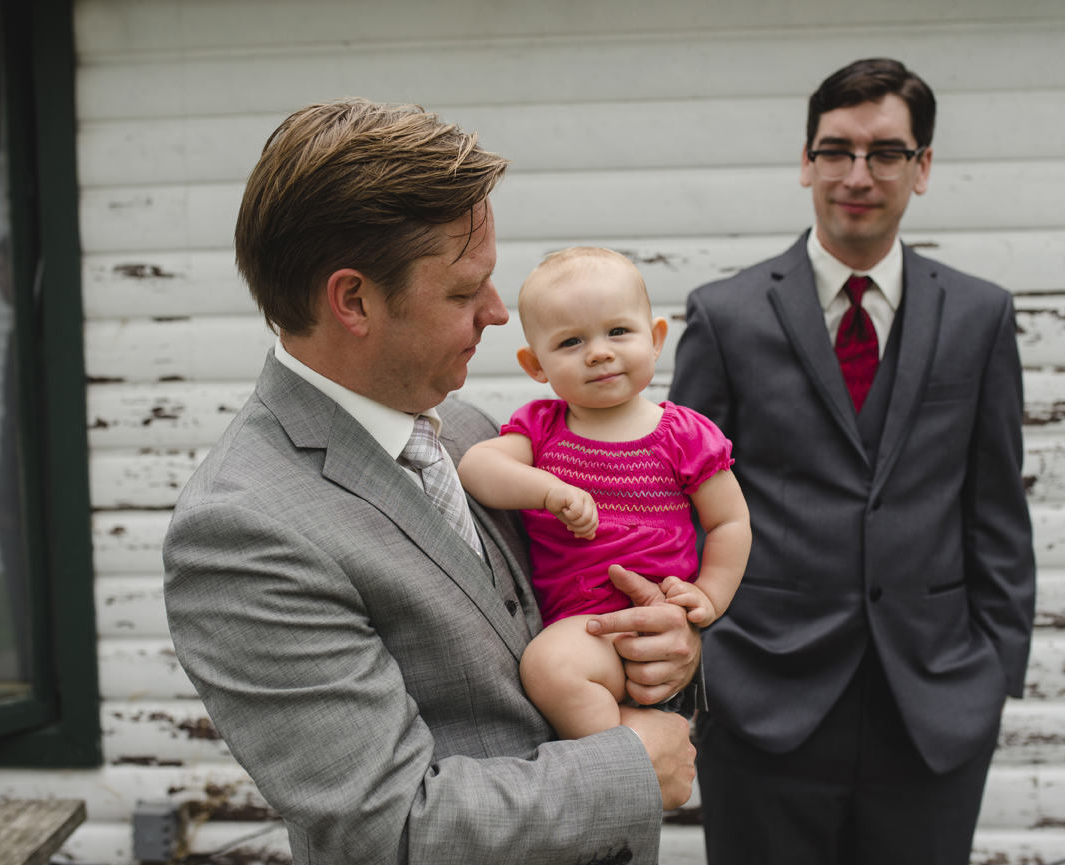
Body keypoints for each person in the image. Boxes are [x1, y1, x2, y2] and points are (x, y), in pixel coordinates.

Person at [163, 99, 700, 865]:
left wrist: (668, 654)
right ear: (353, 300)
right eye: (461, 291)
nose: (496, 311)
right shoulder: (242, 529)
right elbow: (385, 828)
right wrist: (629, 769)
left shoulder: (483, 435)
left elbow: (579, 610)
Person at [668, 58, 1036, 864]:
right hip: (763, 697)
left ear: (923, 166)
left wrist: (994, 675)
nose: (857, 174)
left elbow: (997, 505)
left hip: (934, 703)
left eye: (886, 152)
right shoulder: (725, 316)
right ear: (806, 161)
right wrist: (706, 671)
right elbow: (681, 510)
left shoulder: (980, 314)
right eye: (835, 150)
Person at [457, 247, 750, 740]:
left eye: (618, 331)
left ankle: (621, 767)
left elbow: (729, 523)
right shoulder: (543, 429)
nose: (599, 351)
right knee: (553, 667)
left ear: (655, 339)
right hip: (582, 622)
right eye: (571, 341)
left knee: (551, 668)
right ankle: (623, 761)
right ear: (536, 365)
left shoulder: (683, 434)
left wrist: (709, 597)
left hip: (652, 619)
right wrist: (549, 491)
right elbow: (476, 466)